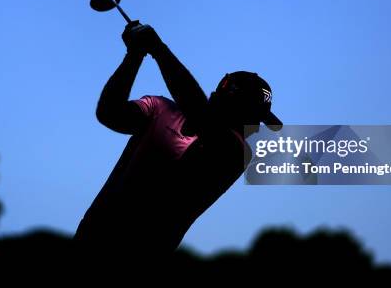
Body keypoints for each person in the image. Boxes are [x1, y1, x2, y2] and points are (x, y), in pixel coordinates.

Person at [73, 21, 282, 262]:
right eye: (253, 120)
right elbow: (109, 112)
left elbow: (199, 112)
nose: (255, 131)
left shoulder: (236, 154)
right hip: (87, 245)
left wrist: (157, 48)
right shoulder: (159, 108)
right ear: (233, 109)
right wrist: (135, 55)